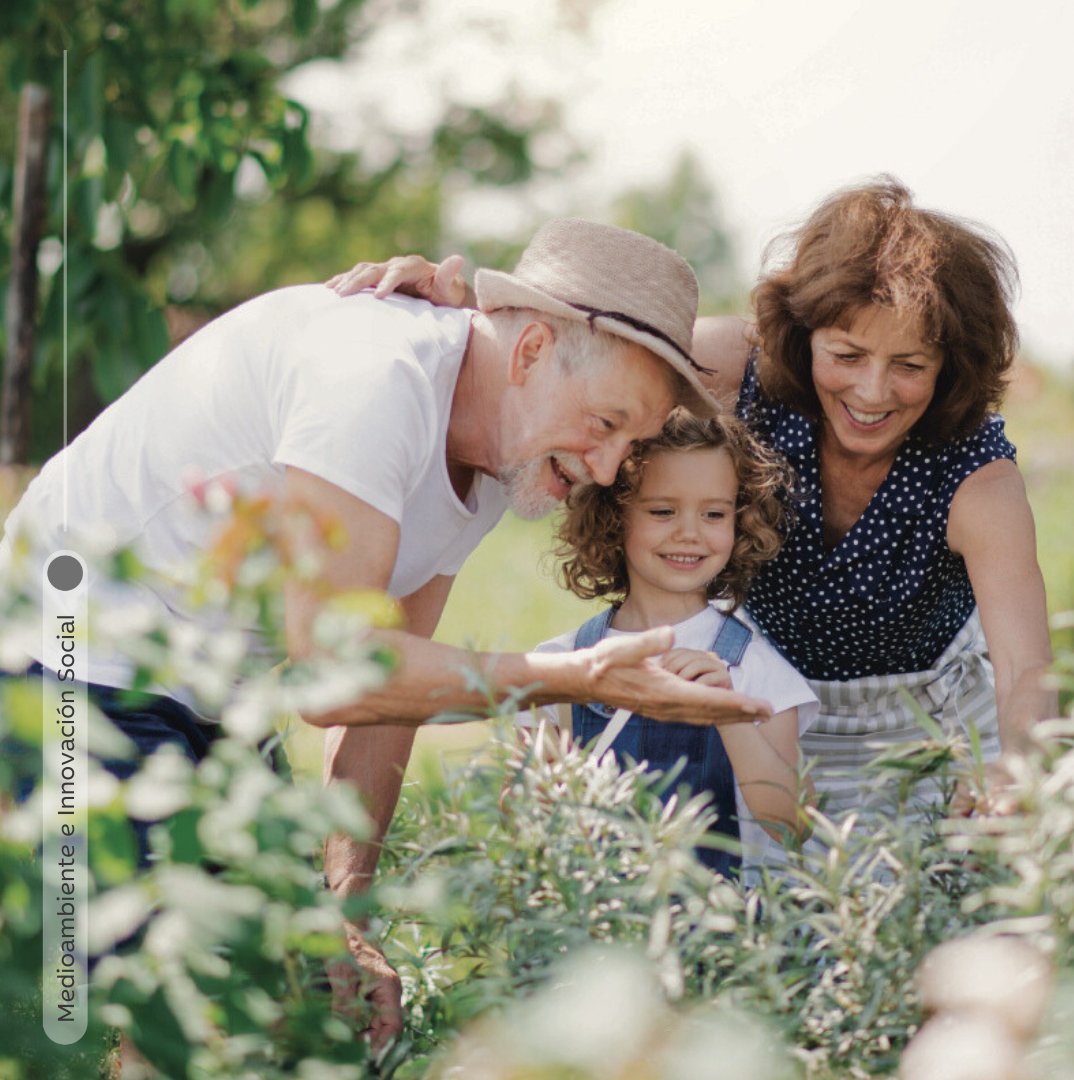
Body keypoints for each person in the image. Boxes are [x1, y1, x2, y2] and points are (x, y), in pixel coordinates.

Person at [0, 218, 777, 1051]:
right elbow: (335, 670)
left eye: (628, 445)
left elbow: (387, 692)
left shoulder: (493, 454)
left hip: (218, 680)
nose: (602, 467)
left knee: (300, 1002)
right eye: (605, 424)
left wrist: (349, 911)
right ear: (530, 351)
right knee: (192, 1010)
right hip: (79, 644)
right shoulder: (377, 379)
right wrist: (579, 677)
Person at [333, 176, 1056, 829]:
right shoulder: (736, 368)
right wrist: (466, 323)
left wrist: (1016, 774)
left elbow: (1025, 670)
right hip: (767, 715)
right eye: (846, 355)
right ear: (803, 337)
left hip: (922, 737)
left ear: (950, 367)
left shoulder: (976, 480)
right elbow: (587, 354)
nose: (871, 392)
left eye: (909, 367)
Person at [523, 409, 818, 878]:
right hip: (590, 935)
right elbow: (520, 823)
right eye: (662, 511)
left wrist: (730, 715)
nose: (689, 532)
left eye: (714, 513)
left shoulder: (755, 671)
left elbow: (792, 823)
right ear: (613, 517)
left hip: (713, 938)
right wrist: (547, 785)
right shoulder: (561, 665)